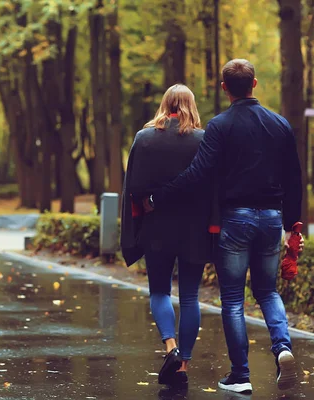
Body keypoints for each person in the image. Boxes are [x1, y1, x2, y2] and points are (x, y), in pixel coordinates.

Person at [144, 59, 303, 394]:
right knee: (268, 291)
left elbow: (199, 174)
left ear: (224, 88)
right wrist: (293, 225)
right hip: (273, 219)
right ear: (255, 84)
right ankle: (283, 347)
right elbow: (294, 179)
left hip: (237, 219)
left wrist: (161, 198)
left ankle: (241, 375)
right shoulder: (280, 125)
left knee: (232, 299)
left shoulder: (220, 126)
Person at [121, 84, 217, 388]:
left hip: (157, 227)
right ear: (192, 105)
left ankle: (170, 347)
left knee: (160, 291)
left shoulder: (144, 138)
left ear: (165, 104)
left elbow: (134, 189)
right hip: (194, 229)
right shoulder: (204, 141)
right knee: (190, 296)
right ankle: (183, 365)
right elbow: (214, 189)